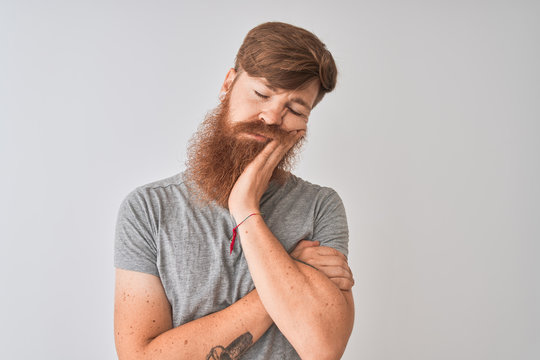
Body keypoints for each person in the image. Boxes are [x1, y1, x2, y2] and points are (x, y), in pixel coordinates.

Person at [114, 21, 355, 360]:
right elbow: (139, 357)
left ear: (305, 124)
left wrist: (245, 209)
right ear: (229, 83)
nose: (271, 117)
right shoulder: (148, 208)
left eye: (295, 109)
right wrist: (289, 270)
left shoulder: (320, 207)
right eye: (262, 94)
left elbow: (324, 348)